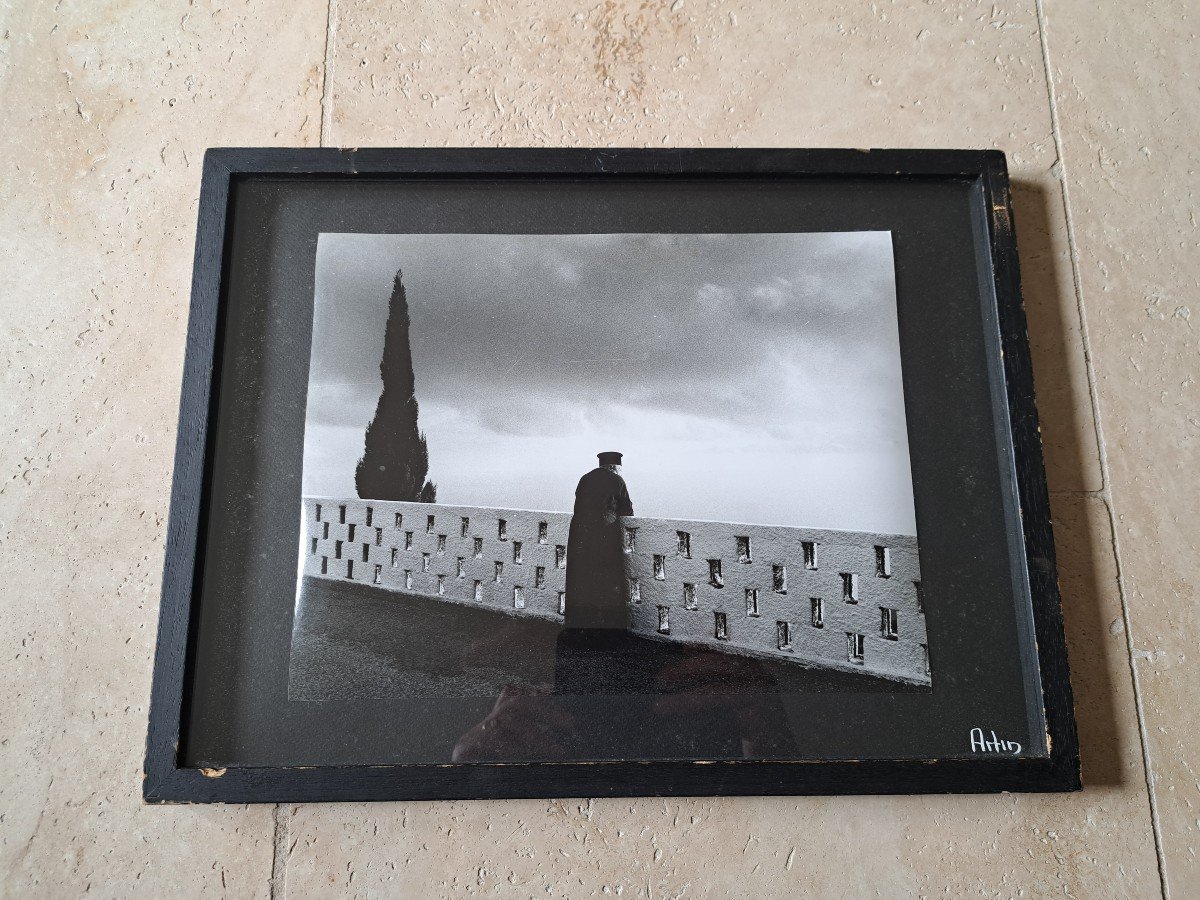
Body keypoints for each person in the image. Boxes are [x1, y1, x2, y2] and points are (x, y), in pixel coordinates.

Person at [563, 451, 634, 630]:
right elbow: (627, 511)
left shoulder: (585, 478)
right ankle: (605, 630)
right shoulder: (617, 481)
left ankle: (579, 626)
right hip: (604, 537)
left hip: (579, 536)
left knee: (582, 581)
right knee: (605, 582)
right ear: (615, 467)